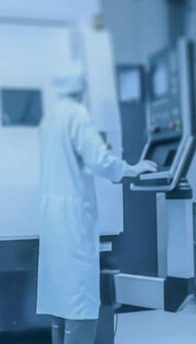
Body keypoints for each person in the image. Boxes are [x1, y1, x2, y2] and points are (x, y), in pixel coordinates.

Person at [36, 61, 157, 344]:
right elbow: (100, 160)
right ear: (80, 87)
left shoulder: (49, 119)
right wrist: (131, 169)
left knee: (61, 298)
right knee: (78, 295)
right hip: (73, 221)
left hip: (53, 221)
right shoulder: (76, 115)